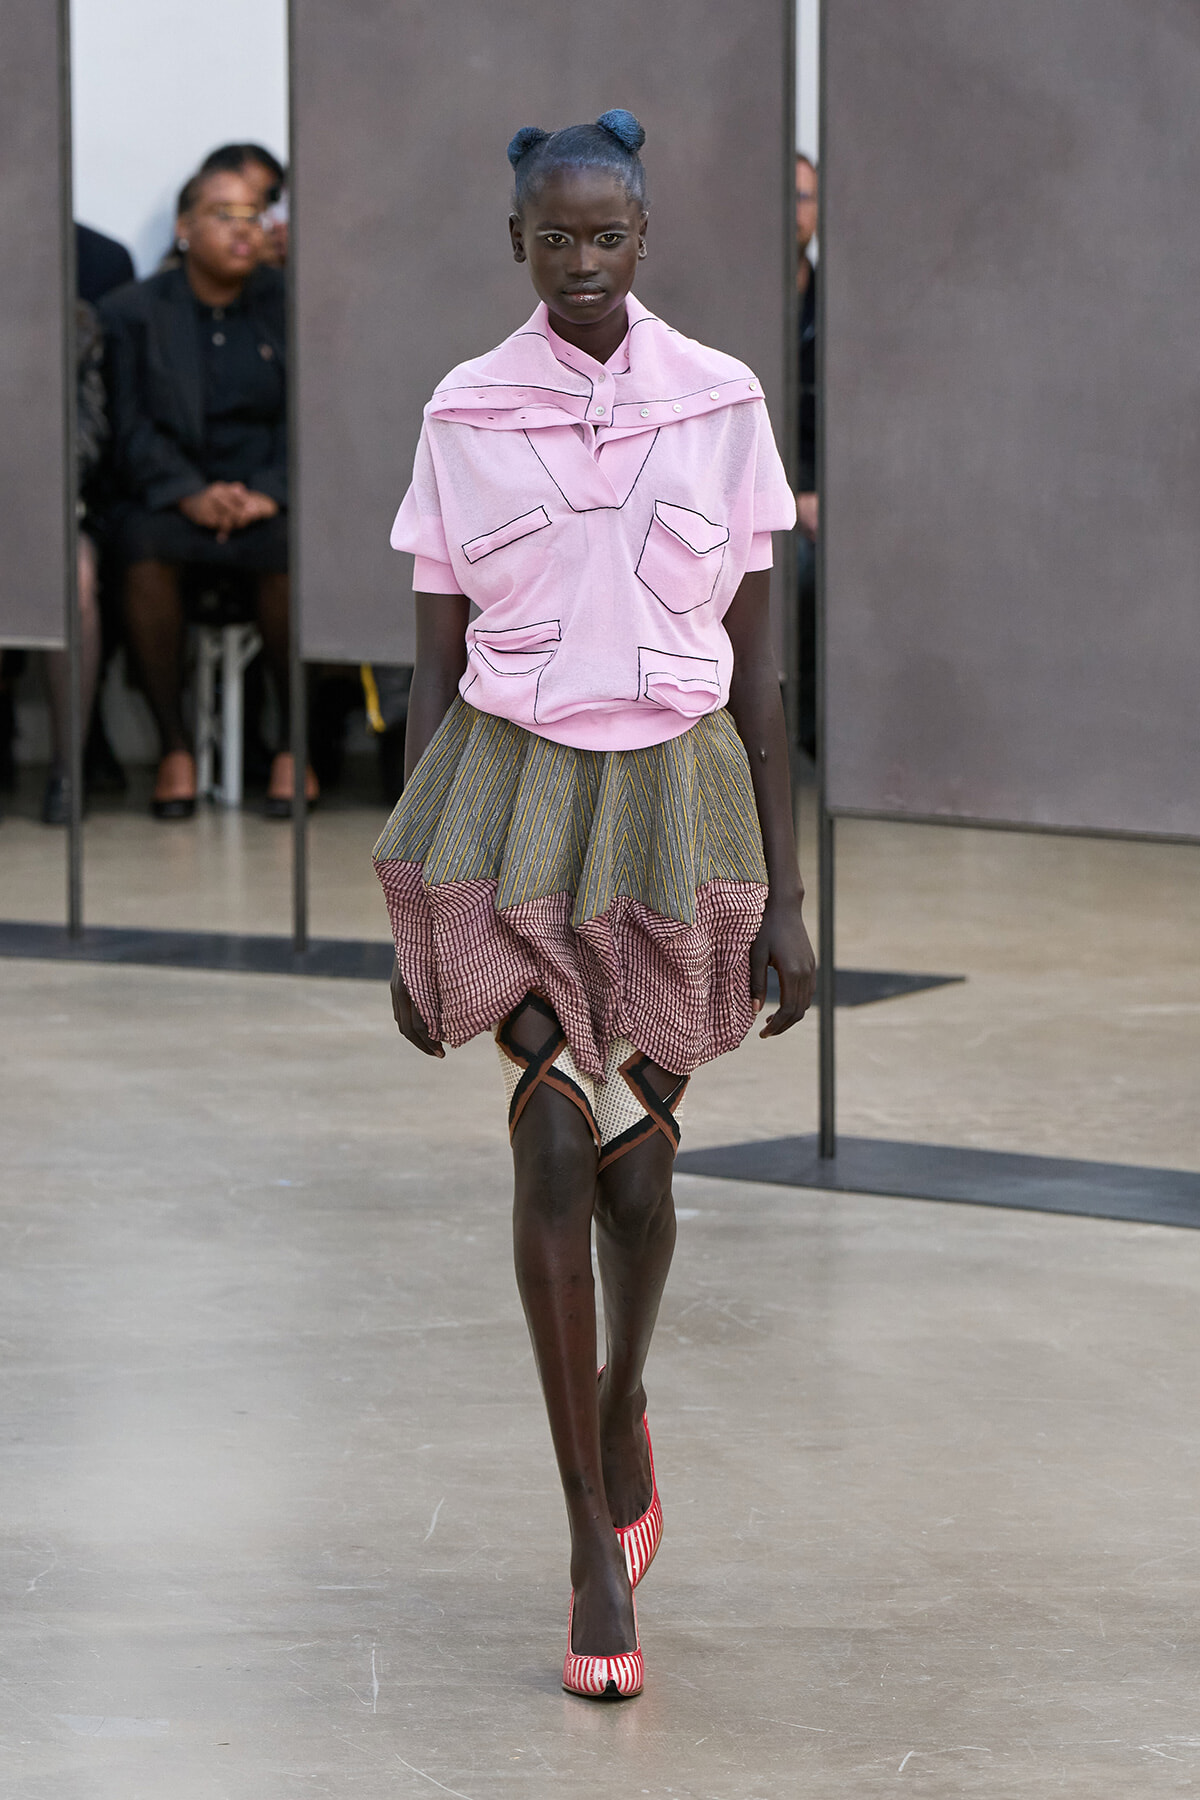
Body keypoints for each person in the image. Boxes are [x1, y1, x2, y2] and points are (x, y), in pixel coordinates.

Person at [374, 111, 815, 1700]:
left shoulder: (723, 403)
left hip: (684, 806)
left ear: (645, 239)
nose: (580, 264)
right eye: (552, 238)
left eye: (606, 236)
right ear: (515, 243)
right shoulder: (464, 409)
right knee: (556, 1135)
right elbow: (430, 675)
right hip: (510, 802)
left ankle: (625, 1393)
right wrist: (414, 911)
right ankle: (584, 1539)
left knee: (639, 1169)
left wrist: (788, 893)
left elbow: (761, 672)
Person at [100, 164, 313, 817]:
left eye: (253, 215)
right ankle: (174, 745)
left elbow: (310, 415)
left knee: (293, 551)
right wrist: (188, 492)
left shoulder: (293, 302)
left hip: (266, 498)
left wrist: (270, 491)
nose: (243, 231)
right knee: (141, 547)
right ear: (185, 229)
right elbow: (127, 427)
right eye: (224, 215)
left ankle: (292, 746)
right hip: (174, 497)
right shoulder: (133, 312)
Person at [39, 302, 107, 825]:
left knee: (77, 582)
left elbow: (89, 436)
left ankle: (68, 771)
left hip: (44, 506)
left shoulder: (73, 320)